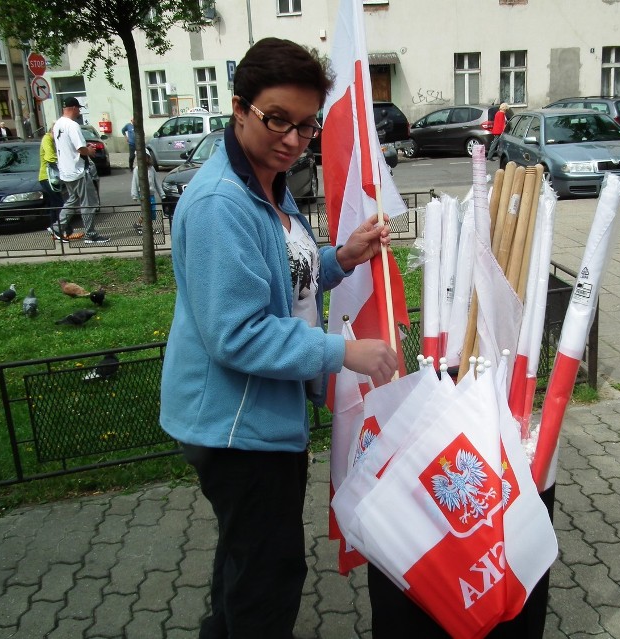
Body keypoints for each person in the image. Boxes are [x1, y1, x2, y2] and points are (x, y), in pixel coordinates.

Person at [159, 37, 398, 639]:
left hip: (260, 419)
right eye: (277, 120)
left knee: (245, 564)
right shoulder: (220, 203)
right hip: (237, 429)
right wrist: (345, 353)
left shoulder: (266, 179)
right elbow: (237, 334)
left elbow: (283, 276)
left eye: (306, 126)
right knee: (269, 578)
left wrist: (341, 257)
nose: (293, 139)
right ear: (238, 108)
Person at [50, 97, 110, 244]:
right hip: (78, 170)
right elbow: (80, 149)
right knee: (88, 202)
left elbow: (68, 145)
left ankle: (57, 227)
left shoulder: (58, 124)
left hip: (65, 170)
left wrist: (84, 147)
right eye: (79, 108)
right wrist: (89, 150)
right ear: (74, 108)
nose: (79, 112)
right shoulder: (72, 125)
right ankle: (91, 234)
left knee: (73, 199)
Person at [38, 124, 77, 239]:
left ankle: (55, 229)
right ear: (53, 131)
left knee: (54, 204)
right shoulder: (47, 139)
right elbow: (49, 157)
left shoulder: (51, 140)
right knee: (60, 204)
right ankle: (64, 230)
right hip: (48, 177)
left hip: (49, 177)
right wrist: (65, 161)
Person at [130, 150, 164, 235]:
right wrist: (135, 195)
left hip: (151, 194)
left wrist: (162, 193)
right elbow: (135, 182)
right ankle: (145, 227)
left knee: (152, 212)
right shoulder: (137, 169)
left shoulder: (151, 169)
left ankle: (140, 225)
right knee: (146, 211)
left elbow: (156, 181)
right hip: (143, 195)